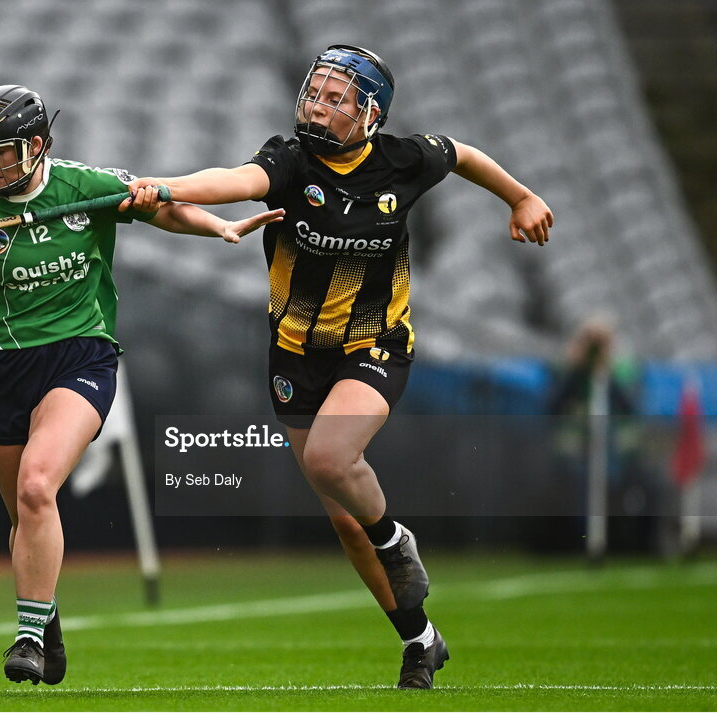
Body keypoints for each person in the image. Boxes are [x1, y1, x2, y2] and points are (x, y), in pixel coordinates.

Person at [128, 45, 553, 689]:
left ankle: (393, 539)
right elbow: (236, 179)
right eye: (313, 93)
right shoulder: (291, 159)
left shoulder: (404, 160)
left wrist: (520, 197)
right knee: (342, 520)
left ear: (369, 115)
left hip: (374, 344)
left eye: (335, 100)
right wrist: (169, 188)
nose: (317, 107)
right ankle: (420, 638)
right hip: (296, 356)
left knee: (331, 462)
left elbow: (463, 154)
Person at [0, 84, 283, 686]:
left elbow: (162, 208)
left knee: (38, 487)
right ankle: (46, 617)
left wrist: (218, 229)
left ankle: (25, 636)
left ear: (36, 144)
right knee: (22, 510)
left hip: (80, 356)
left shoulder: (86, 187)